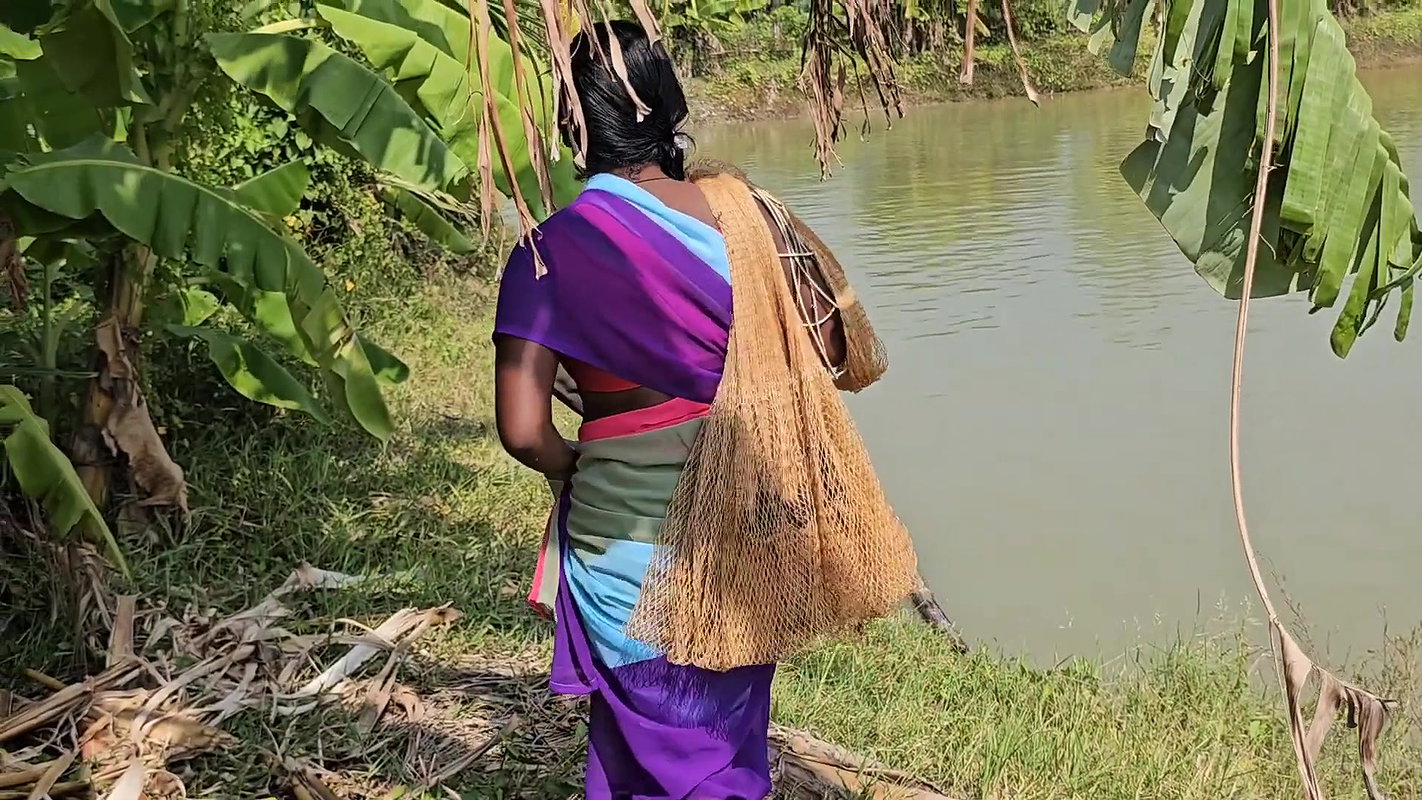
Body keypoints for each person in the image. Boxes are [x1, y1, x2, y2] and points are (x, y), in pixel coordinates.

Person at [492, 20, 917, 800]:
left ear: (571, 124)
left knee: (677, 761)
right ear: (669, 106)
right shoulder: (755, 222)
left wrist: (575, 463)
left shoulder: (547, 252)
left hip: (632, 554)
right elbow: (829, 349)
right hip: (754, 530)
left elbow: (523, 431)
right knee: (718, 737)